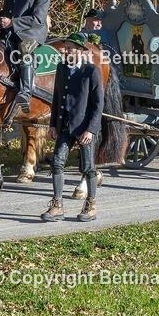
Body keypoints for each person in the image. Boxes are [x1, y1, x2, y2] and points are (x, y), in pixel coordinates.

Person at [43, 33, 103, 222]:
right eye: (65, 47)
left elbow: (98, 104)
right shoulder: (61, 68)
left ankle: (91, 205)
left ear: (80, 51)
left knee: (88, 167)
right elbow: (56, 97)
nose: (65, 50)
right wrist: (53, 124)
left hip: (84, 128)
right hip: (64, 125)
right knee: (57, 163)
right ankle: (57, 205)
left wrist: (91, 130)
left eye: (69, 48)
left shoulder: (91, 71)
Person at [0, 0, 51, 113]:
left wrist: (12, 23)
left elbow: (38, 19)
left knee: (24, 49)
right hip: (9, 28)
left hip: (32, 31)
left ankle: (26, 92)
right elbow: (6, 10)